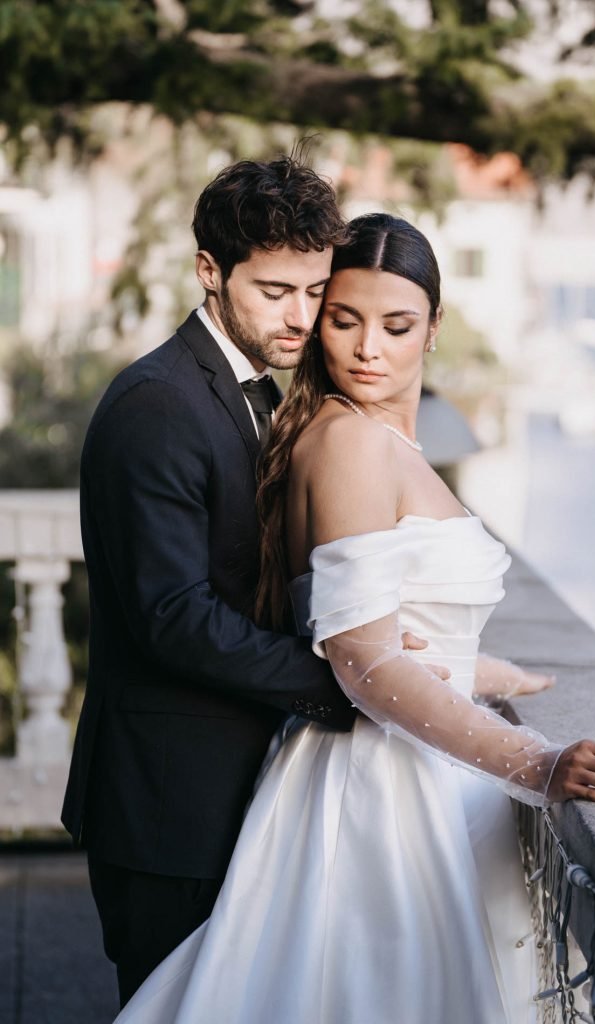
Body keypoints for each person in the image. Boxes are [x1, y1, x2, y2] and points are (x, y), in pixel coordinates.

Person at [111, 213, 595, 1024]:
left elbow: (393, 631)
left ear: (433, 328)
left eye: (396, 326)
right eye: (344, 320)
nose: (368, 348)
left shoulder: (359, 437)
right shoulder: (351, 445)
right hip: (377, 792)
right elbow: (364, 664)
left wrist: (484, 672)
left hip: (407, 767)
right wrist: (534, 762)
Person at [60, 155, 359, 1008]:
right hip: (167, 805)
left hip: (236, 790)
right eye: (274, 292)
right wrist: (348, 683)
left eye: (314, 290)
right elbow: (174, 618)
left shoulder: (261, 390)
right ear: (210, 272)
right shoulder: (156, 405)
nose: (301, 316)